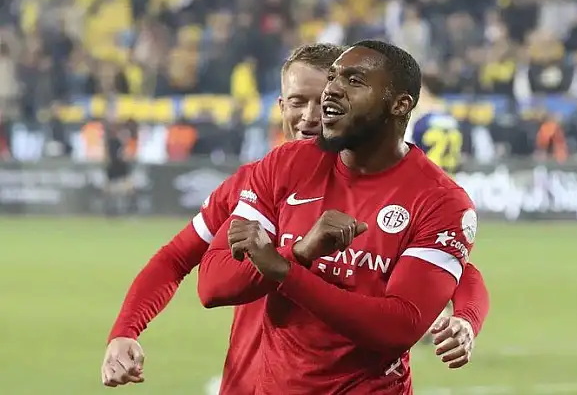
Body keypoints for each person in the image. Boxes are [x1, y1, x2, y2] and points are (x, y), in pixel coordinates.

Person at [101, 43, 489, 391]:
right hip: (248, 383)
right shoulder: (259, 178)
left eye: (323, 100)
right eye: (297, 102)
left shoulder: (417, 193)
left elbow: (458, 272)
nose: (310, 116)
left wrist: (467, 318)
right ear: (281, 106)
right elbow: (179, 261)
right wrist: (125, 330)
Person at [404, 73, 463, 173]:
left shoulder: (418, 120)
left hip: (425, 176)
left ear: (424, 91)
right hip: (449, 177)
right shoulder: (452, 119)